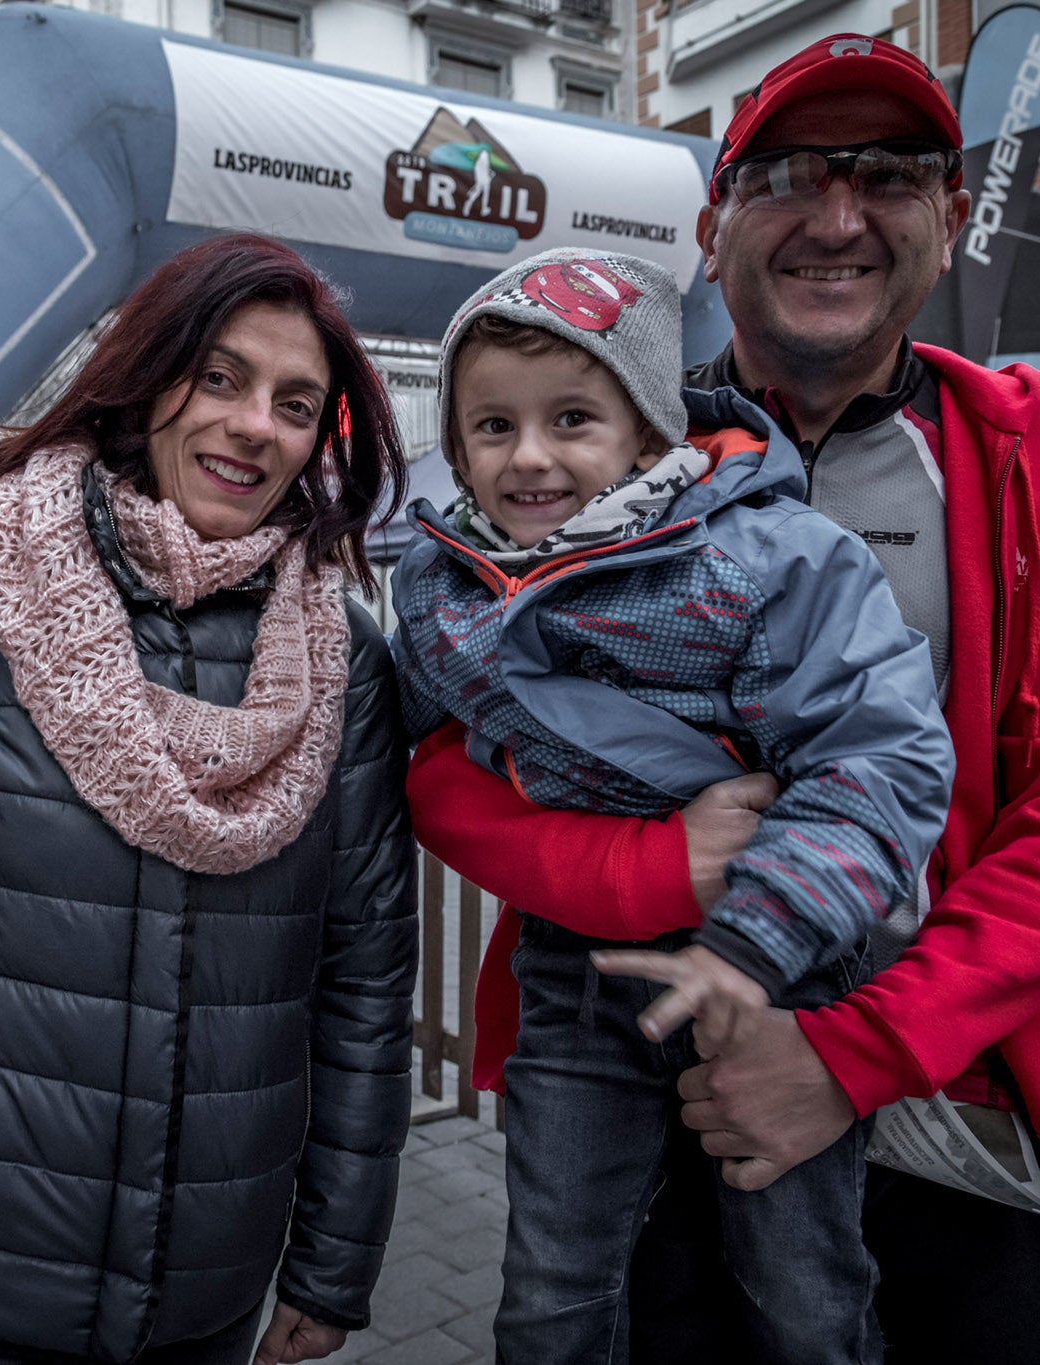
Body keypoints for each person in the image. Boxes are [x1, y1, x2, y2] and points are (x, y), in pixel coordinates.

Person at [408, 32, 1040, 1364]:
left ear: (950, 216)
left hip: (944, 1072)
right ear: (715, 230)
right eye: (789, 175)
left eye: (887, 174)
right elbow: (441, 761)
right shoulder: (603, 450)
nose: (838, 215)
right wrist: (643, 867)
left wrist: (850, 1053)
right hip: (640, 1058)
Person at [0, 233, 418, 1365]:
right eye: (218, 377)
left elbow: (361, 989)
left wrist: (330, 1266)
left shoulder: (339, 661)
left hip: (207, 1300)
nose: (256, 425)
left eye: (296, 404)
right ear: (144, 375)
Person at [392, 246, 951, 1363]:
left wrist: (751, 937)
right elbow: (409, 740)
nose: (528, 456)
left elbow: (879, 759)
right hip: (579, 964)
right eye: (490, 427)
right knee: (550, 1278)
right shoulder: (441, 580)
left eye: (570, 419)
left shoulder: (768, 557)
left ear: (648, 431)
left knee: (799, 1285)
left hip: (772, 962)